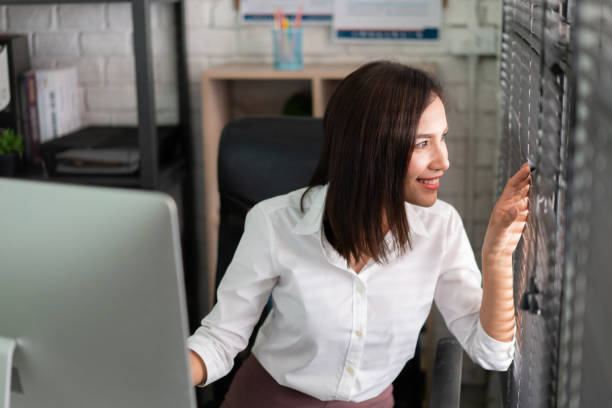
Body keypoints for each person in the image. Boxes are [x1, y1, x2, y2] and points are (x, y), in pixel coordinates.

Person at [187, 60, 530, 407]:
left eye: (442, 138)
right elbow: (221, 338)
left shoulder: (440, 228)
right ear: (371, 150)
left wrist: (497, 256)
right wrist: (165, 370)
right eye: (422, 143)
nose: (444, 160)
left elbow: (492, 354)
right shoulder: (274, 223)